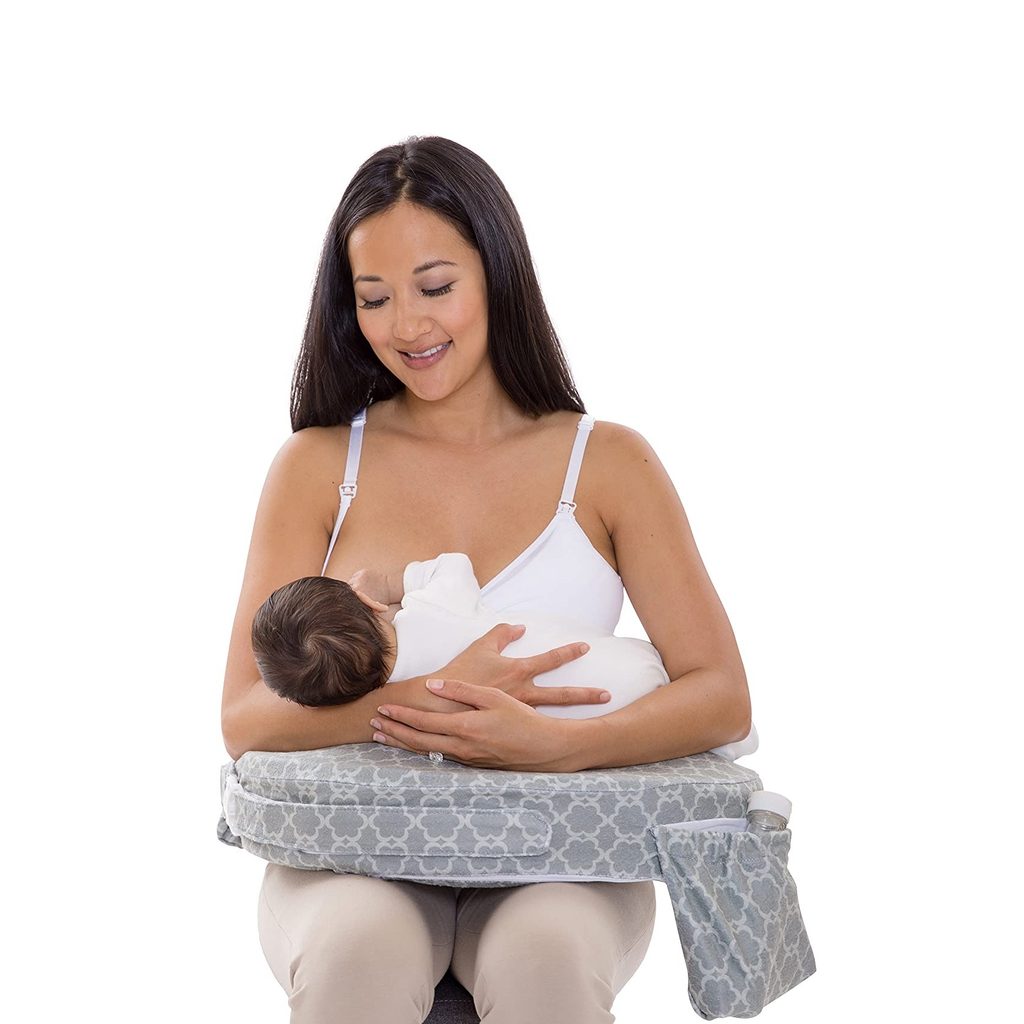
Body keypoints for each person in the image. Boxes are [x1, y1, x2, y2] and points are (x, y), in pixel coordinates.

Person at [220, 135, 753, 1024]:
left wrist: (556, 747)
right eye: (374, 299)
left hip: (561, 845)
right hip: (357, 846)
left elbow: (721, 697)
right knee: (358, 950)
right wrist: (429, 700)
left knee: (547, 956)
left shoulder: (609, 463)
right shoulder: (317, 467)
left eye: (435, 287)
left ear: (498, 275)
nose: (407, 327)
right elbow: (246, 717)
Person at [248, 552, 759, 759]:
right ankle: (724, 742)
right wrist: (388, 581)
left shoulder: (402, 716)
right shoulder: (429, 607)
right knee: (598, 659)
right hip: (630, 670)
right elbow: (453, 564)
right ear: (369, 605)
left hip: (584, 719)